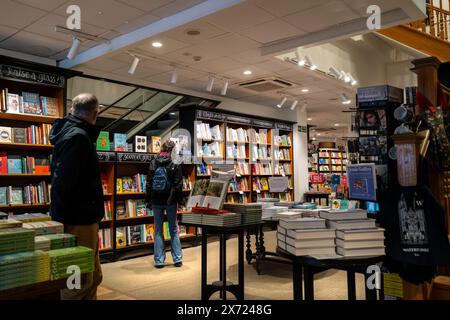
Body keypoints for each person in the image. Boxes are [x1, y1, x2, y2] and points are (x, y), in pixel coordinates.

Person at [49, 93, 103, 299]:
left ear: (72, 110)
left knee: (92, 276)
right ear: (95, 113)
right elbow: (66, 182)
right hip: (78, 219)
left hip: (76, 216)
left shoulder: (70, 133)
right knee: (78, 280)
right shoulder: (79, 138)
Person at [146, 140, 183, 268]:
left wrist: (148, 200)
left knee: (158, 230)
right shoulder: (175, 163)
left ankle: (159, 261)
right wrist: (180, 201)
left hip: (156, 200)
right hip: (170, 201)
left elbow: (149, 183)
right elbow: (178, 185)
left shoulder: (153, 162)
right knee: (173, 229)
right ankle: (177, 259)